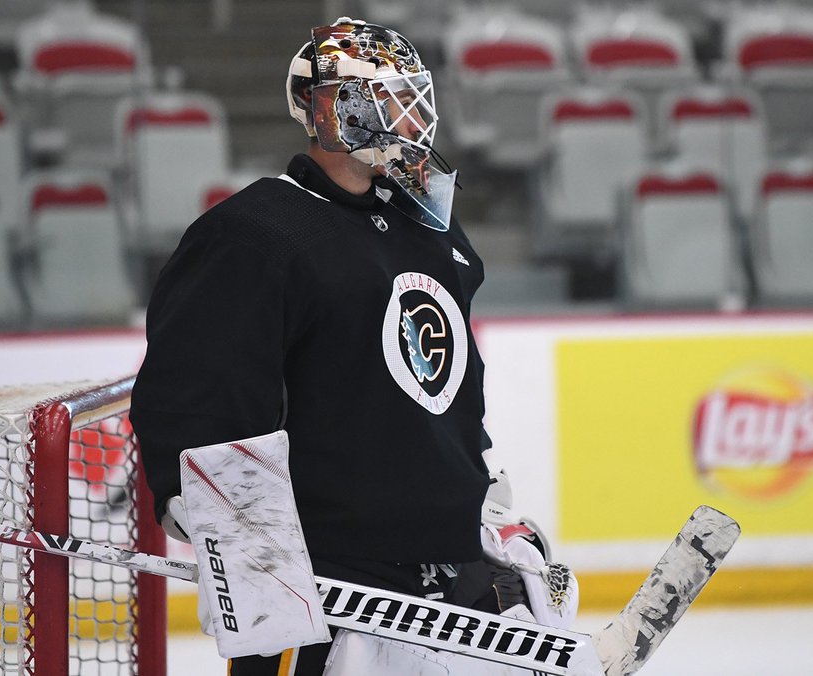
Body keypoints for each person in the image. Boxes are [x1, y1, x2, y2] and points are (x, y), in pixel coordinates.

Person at [131, 17, 573, 675]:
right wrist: (239, 547)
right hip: (331, 581)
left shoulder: (421, 224)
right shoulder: (254, 233)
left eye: (412, 97)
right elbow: (196, 396)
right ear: (335, 109)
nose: (411, 117)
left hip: (443, 562)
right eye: (390, 99)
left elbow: (447, 381)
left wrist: (474, 491)